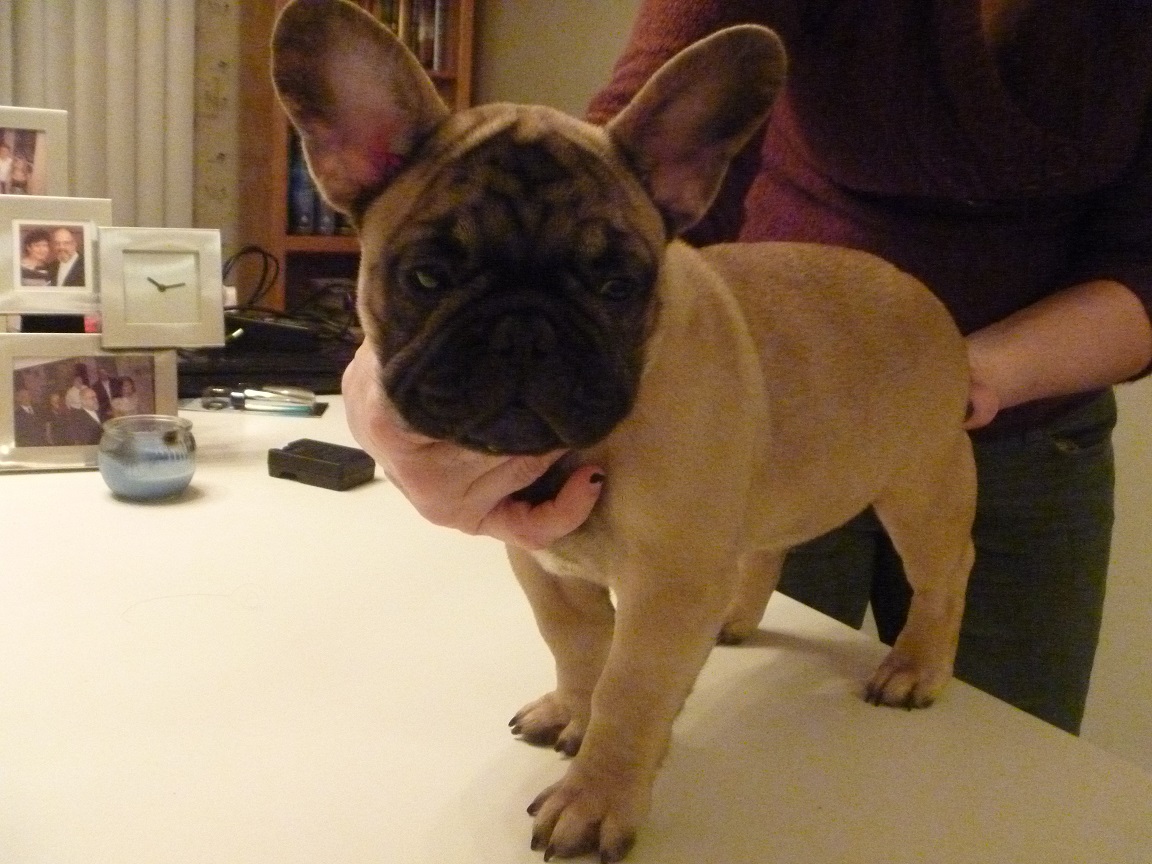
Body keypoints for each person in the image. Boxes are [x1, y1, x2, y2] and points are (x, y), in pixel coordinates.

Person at [340, 0, 1152, 735]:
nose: (525, 346)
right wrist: (377, 378)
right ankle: (614, 674)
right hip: (763, 359)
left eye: (608, 283)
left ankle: (929, 621)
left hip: (987, 403)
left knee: (992, 753)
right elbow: (627, 139)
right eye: (430, 276)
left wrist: (937, 375)